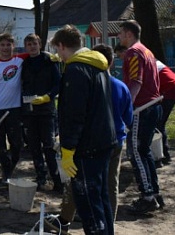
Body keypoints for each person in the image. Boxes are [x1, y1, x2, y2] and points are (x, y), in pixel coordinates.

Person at [45, 43, 133, 233]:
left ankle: (67, 219)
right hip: (115, 141)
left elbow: (77, 114)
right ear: (110, 62)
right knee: (109, 186)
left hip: (91, 144)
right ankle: (108, 224)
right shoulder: (120, 86)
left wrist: (68, 144)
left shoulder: (86, 80)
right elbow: (129, 118)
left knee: (83, 186)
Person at [51, 25, 117, 235]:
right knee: (101, 198)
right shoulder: (98, 65)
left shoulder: (76, 70)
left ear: (62, 46)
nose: (58, 55)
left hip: (87, 146)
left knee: (89, 202)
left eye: (57, 50)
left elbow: (74, 113)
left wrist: (68, 149)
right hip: (104, 140)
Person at [118, 20, 163, 214]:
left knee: (135, 152)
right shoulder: (147, 51)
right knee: (144, 151)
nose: (118, 36)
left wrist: (126, 108)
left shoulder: (133, 52)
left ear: (129, 34)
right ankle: (155, 193)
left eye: (121, 33)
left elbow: (136, 82)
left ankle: (148, 197)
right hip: (153, 106)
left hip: (141, 108)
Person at [20, 33, 62, 192]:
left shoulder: (49, 61)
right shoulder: (24, 63)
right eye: (29, 44)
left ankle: (57, 180)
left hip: (47, 111)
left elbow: (58, 84)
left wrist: (48, 97)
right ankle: (41, 178)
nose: (32, 47)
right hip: (29, 111)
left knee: (49, 147)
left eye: (34, 44)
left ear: (40, 44)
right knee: (34, 147)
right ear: (26, 47)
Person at [0, 33, 28, 183]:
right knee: (0, 144)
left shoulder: (20, 60)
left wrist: (51, 57)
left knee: (17, 143)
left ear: (13, 46)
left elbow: (37, 54)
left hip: (15, 109)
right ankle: (6, 170)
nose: (5, 48)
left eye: (8, 45)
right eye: (2, 45)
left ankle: (11, 166)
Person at [155, 60, 175, 166]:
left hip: (169, 91)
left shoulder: (145, 63)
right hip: (173, 89)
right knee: (159, 123)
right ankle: (163, 154)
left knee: (157, 124)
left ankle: (162, 156)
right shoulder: (151, 60)